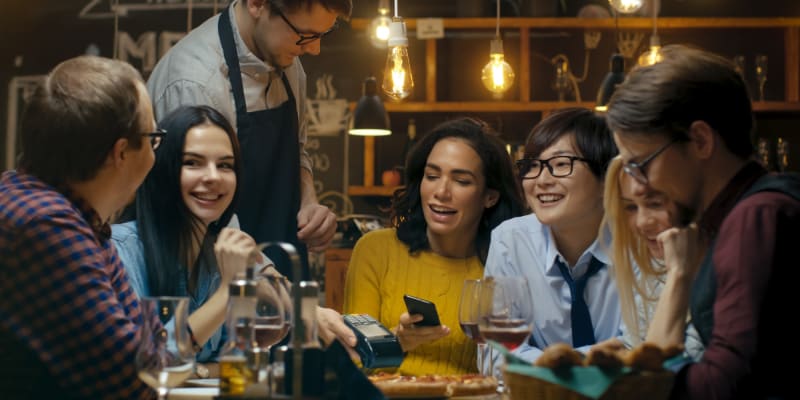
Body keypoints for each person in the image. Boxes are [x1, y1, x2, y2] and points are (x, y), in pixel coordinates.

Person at [606, 44, 800, 399]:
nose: (637, 185)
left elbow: (724, 385)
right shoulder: (756, 209)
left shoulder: (754, 219)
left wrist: (625, 382)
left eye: (641, 164)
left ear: (700, 140)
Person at [112, 105, 357, 371]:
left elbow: (234, 359)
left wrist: (303, 313)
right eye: (192, 163)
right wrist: (230, 291)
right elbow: (143, 365)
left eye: (225, 165)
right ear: (163, 169)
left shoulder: (223, 252)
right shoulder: (120, 251)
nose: (213, 177)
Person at [147, 0, 352, 281]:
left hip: (277, 260)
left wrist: (309, 201)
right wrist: (273, 288)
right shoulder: (196, 82)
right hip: (208, 274)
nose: (314, 49)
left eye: (322, 36)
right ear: (257, 4)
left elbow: (297, 149)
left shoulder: (288, 62)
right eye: (305, 35)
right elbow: (201, 211)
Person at [0, 55, 156, 399]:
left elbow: (151, 346)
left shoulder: (65, 210)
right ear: (121, 153)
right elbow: (135, 381)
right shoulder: (46, 225)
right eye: (153, 138)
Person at [343, 117, 525, 376]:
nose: (441, 191)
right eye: (432, 176)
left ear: (490, 197)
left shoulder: (502, 267)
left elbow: (507, 369)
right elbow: (350, 364)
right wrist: (397, 341)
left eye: (461, 181)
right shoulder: (375, 250)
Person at [483, 107, 619, 368]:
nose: (541, 180)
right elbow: (494, 353)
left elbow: (645, 347)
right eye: (532, 166)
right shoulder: (510, 241)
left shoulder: (640, 241)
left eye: (560, 164)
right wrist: (563, 365)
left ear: (606, 178)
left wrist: (544, 362)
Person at [601, 157, 704, 360]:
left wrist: (678, 273)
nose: (642, 222)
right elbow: (637, 347)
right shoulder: (654, 264)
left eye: (655, 204)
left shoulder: (726, 266)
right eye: (631, 207)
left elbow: (660, 369)